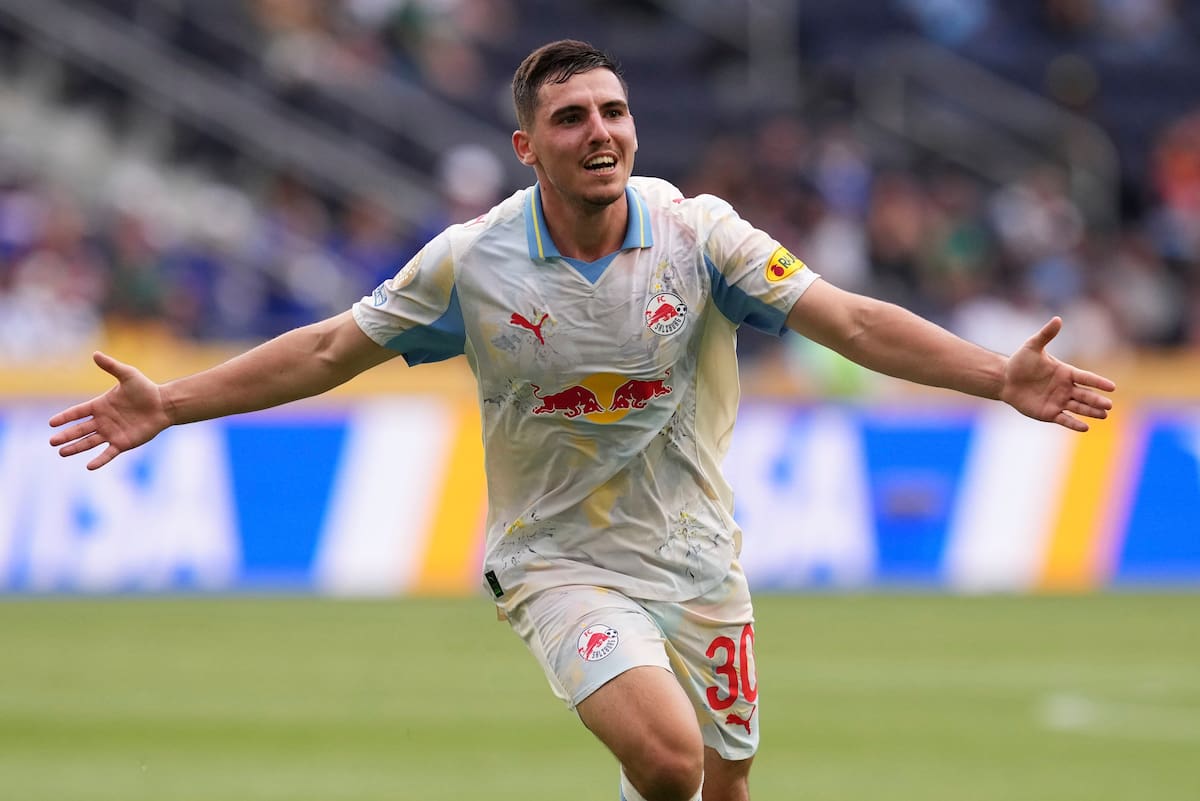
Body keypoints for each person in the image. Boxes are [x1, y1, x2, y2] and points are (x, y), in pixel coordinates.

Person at [50, 40, 1116, 801]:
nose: (599, 132)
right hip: (558, 558)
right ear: (528, 146)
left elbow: (850, 318)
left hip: (698, 552)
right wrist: (173, 402)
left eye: (612, 112)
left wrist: (994, 376)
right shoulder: (471, 263)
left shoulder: (702, 235)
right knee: (667, 760)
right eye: (571, 118)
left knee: (728, 777)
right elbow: (333, 348)